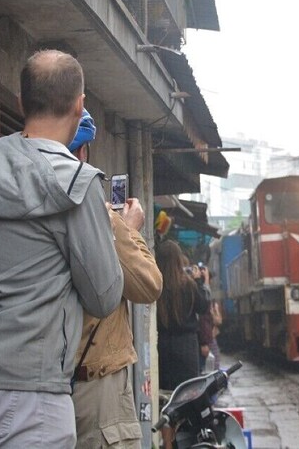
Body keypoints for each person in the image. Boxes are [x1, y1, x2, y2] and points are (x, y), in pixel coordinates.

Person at [0, 50, 124, 448]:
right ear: (80, 105)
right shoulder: (76, 185)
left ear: (22, 103)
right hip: (35, 395)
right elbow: (105, 295)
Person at [67, 109, 163, 449]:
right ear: (82, 152)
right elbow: (148, 285)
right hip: (95, 386)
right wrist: (126, 228)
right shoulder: (99, 216)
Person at [156, 240, 211, 391]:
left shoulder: (155, 286)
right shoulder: (189, 285)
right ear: (179, 260)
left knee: (165, 391)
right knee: (187, 392)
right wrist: (200, 282)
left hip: (162, 346)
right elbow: (204, 306)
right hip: (187, 346)